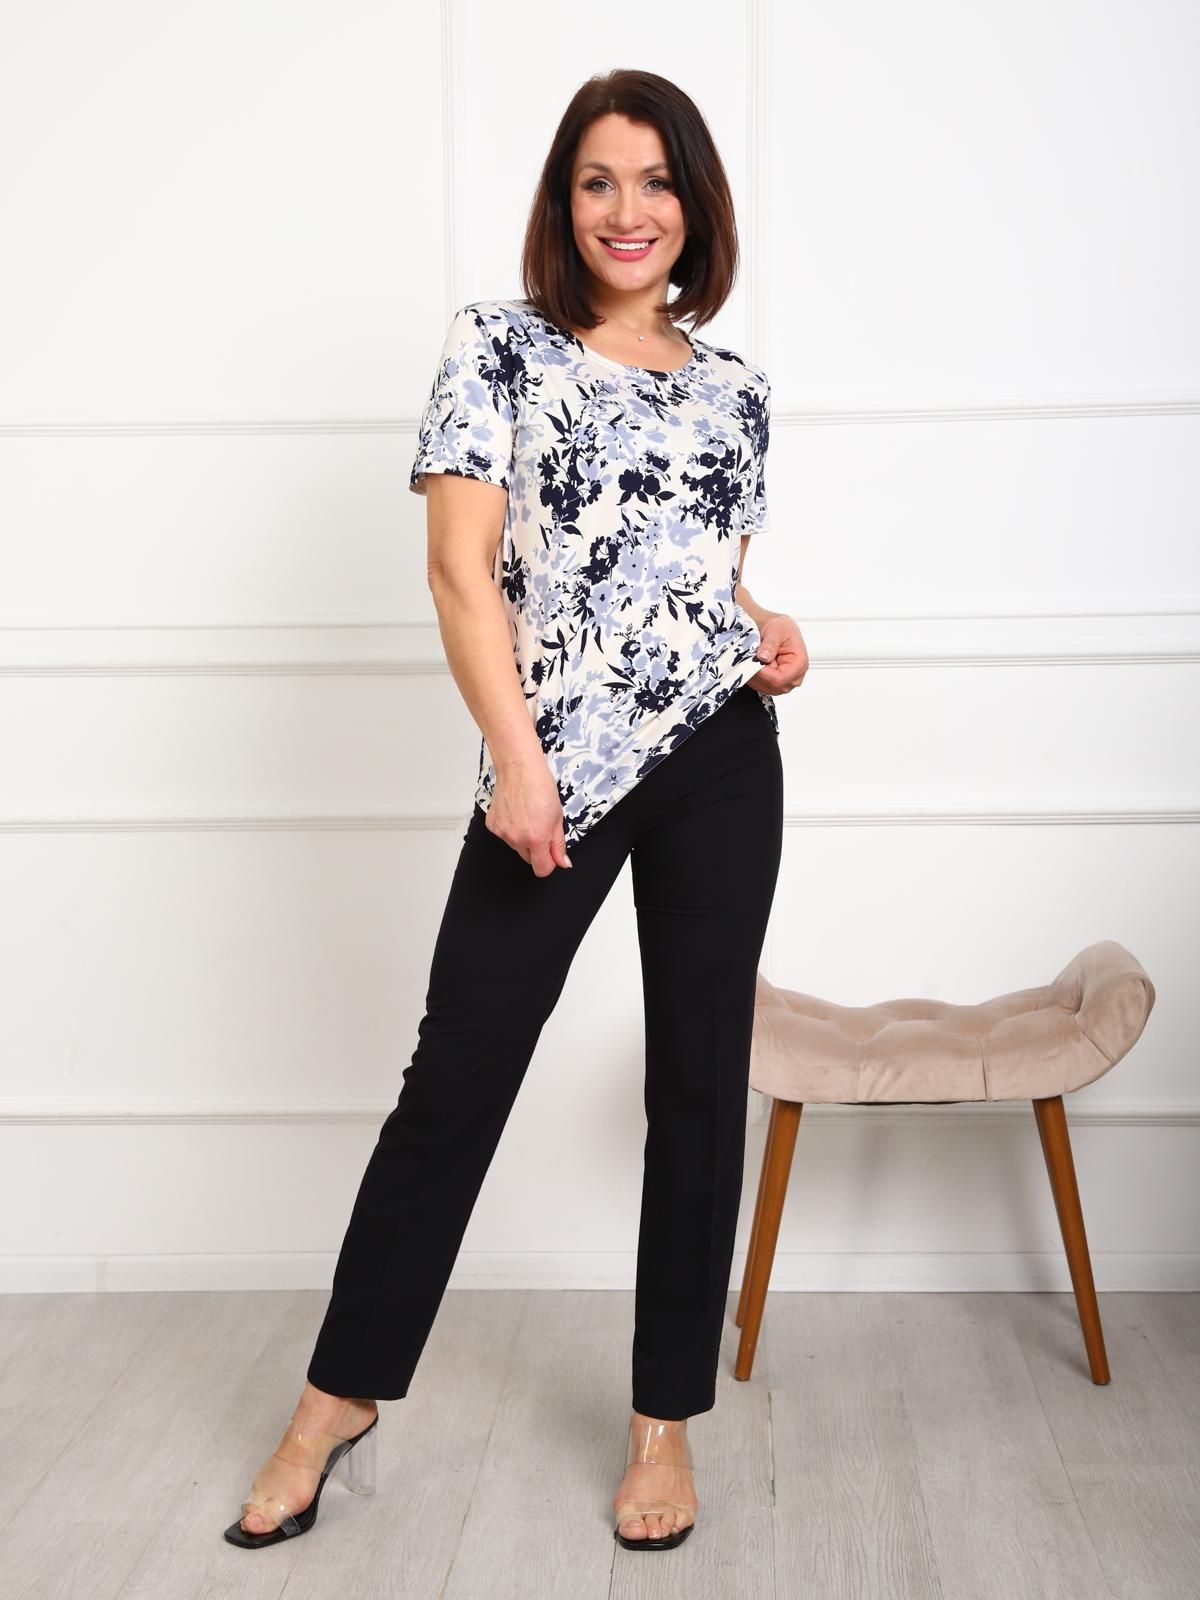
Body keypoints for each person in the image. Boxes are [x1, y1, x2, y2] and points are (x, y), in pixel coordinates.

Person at [225, 67, 808, 1555]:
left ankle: (664, 1420)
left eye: (658, 181)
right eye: (599, 180)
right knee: (458, 1076)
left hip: (722, 756)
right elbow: (460, 571)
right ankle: (336, 1398)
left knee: (699, 1086)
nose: (629, 210)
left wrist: (765, 628)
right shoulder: (498, 346)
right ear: (565, 201)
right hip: (553, 770)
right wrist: (518, 759)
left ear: (696, 208)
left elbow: (692, 577)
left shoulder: (737, 387)